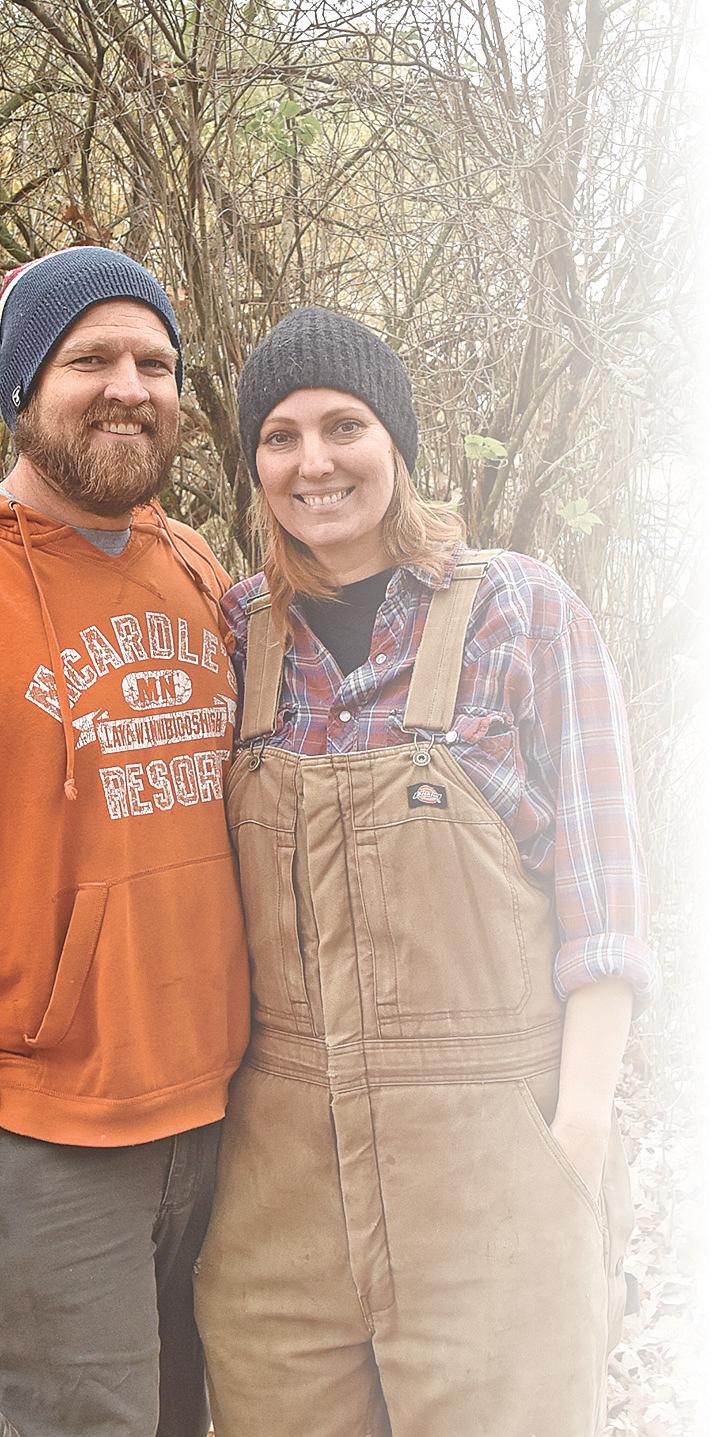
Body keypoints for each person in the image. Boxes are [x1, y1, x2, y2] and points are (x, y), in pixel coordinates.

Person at [194, 306, 657, 1437]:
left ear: (396, 440)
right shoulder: (237, 631)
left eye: (344, 426)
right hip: (277, 1204)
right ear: (254, 464)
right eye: (281, 436)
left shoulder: (522, 611)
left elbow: (605, 909)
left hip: (494, 1181)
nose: (314, 462)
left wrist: (576, 1138)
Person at [0, 246, 250, 1437]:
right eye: (89, 359)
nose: (129, 387)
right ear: (22, 387)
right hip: (52, 1130)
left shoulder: (195, 562)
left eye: (155, 363)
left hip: (228, 1106)